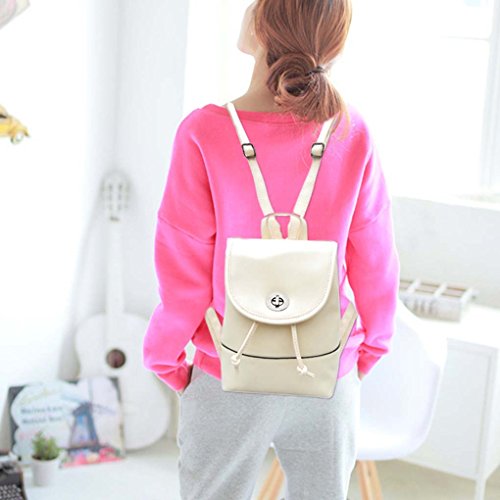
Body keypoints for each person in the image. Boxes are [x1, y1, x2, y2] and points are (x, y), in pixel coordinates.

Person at [142, 1, 400, 498]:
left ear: (264, 24)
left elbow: (183, 263)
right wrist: (369, 350)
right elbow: (375, 257)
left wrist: (164, 354)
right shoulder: (352, 133)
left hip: (227, 368)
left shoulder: (204, 133)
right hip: (327, 372)